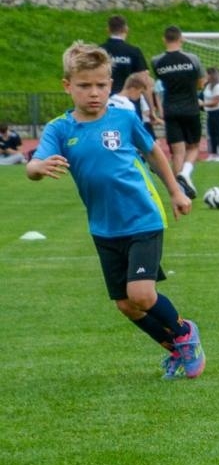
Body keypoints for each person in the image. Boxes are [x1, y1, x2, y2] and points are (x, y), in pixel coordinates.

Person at [27, 42, 202, 378]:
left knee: (141, 294)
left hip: (142, 217)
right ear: (68, 86)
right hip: (103, 227)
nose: (94, 93)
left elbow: (154, 154)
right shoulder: (60, 129)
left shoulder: (123, 118)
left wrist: (176, 191)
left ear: (110, 84)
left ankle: (185, 334)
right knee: (126, 305)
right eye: (84, 86)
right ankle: (175, 350)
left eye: (101, 85)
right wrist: (38, 168)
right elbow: (33, 166)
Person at [151, 25, 204, 197]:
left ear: (164, 39)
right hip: (191, 107)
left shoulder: (157, 61)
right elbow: (201, 83)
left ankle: (180, 191)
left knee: (177, 151)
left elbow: (160, 83)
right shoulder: (192, 59)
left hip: (171, 109)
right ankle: (185, 174)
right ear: (181, 39)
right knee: (194, 146)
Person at [101, 15, 148, 97]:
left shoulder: (99, 51)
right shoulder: (134, 51)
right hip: (128, 100)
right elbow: (143, 78)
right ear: (126, 29)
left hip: (103, 99)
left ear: (108, 30)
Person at [109, 70, 159, 140]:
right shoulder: (128, 106)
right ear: (133, 89)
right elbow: (134, 127)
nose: (139, 96)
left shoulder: (111, 99)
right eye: (140, 92)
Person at [201, 66, 219, 162]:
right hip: (210, 111)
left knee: (218, 133)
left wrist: (202, 104)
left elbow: (215, 102)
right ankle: (213, 154)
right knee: (211, 134)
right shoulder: (208, 86)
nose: (205, 76)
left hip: (218, 111)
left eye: (207, 74)